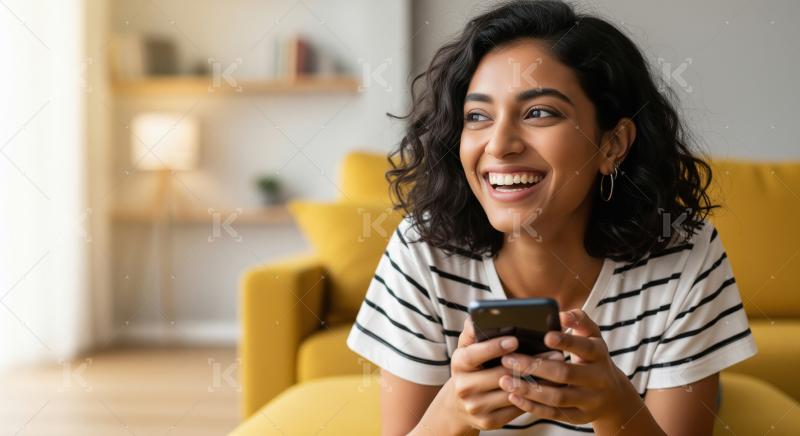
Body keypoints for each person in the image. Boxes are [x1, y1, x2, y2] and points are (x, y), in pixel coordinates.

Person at [346, 1, 757, 434]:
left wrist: (618, 408)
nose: (500, 144)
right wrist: (453, 412)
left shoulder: (686, 250)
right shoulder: (421, 248)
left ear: (612, 144)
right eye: (478, 116)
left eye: (539, 112)